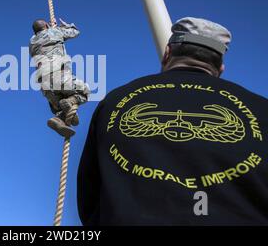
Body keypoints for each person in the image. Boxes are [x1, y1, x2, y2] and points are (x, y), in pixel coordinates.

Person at [77, 17, 268, 225]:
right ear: (221, 66)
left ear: (167, 53)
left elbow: (90, 193)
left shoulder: (116, 100)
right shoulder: (262, 108)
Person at [29, 19, 90, 137]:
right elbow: (75, 32)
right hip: (59, 76)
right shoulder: (55, 32)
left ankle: (59, 119)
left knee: (59, 107)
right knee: (85, 91)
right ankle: (69, 102)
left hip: (45, 86)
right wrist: (64, 26)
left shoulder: (32, 43)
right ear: (46, 25)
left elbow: (43, 36)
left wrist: (51, 28)